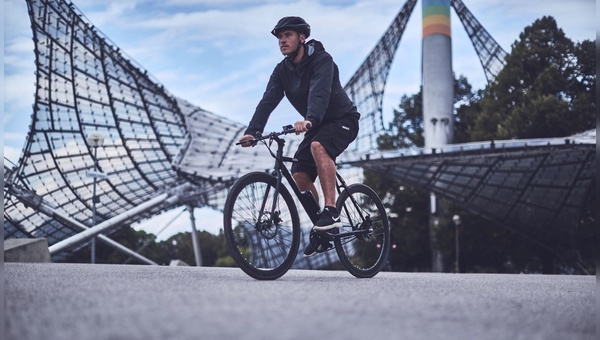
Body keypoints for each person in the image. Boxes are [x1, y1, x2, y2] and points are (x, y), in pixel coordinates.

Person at [239, 16, 360, 257]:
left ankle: (331, 210)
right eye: (280, 37)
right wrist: (253, 131)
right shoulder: (282, 71)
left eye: (288, 35)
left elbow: (319, 91)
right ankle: (322, 229)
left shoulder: (322, 61)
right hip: (315, 124)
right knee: (299, 176)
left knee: (318, 145)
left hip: (341, 120)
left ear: (301, 38)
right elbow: (268, 101)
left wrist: (310, 119)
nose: (282, 41)